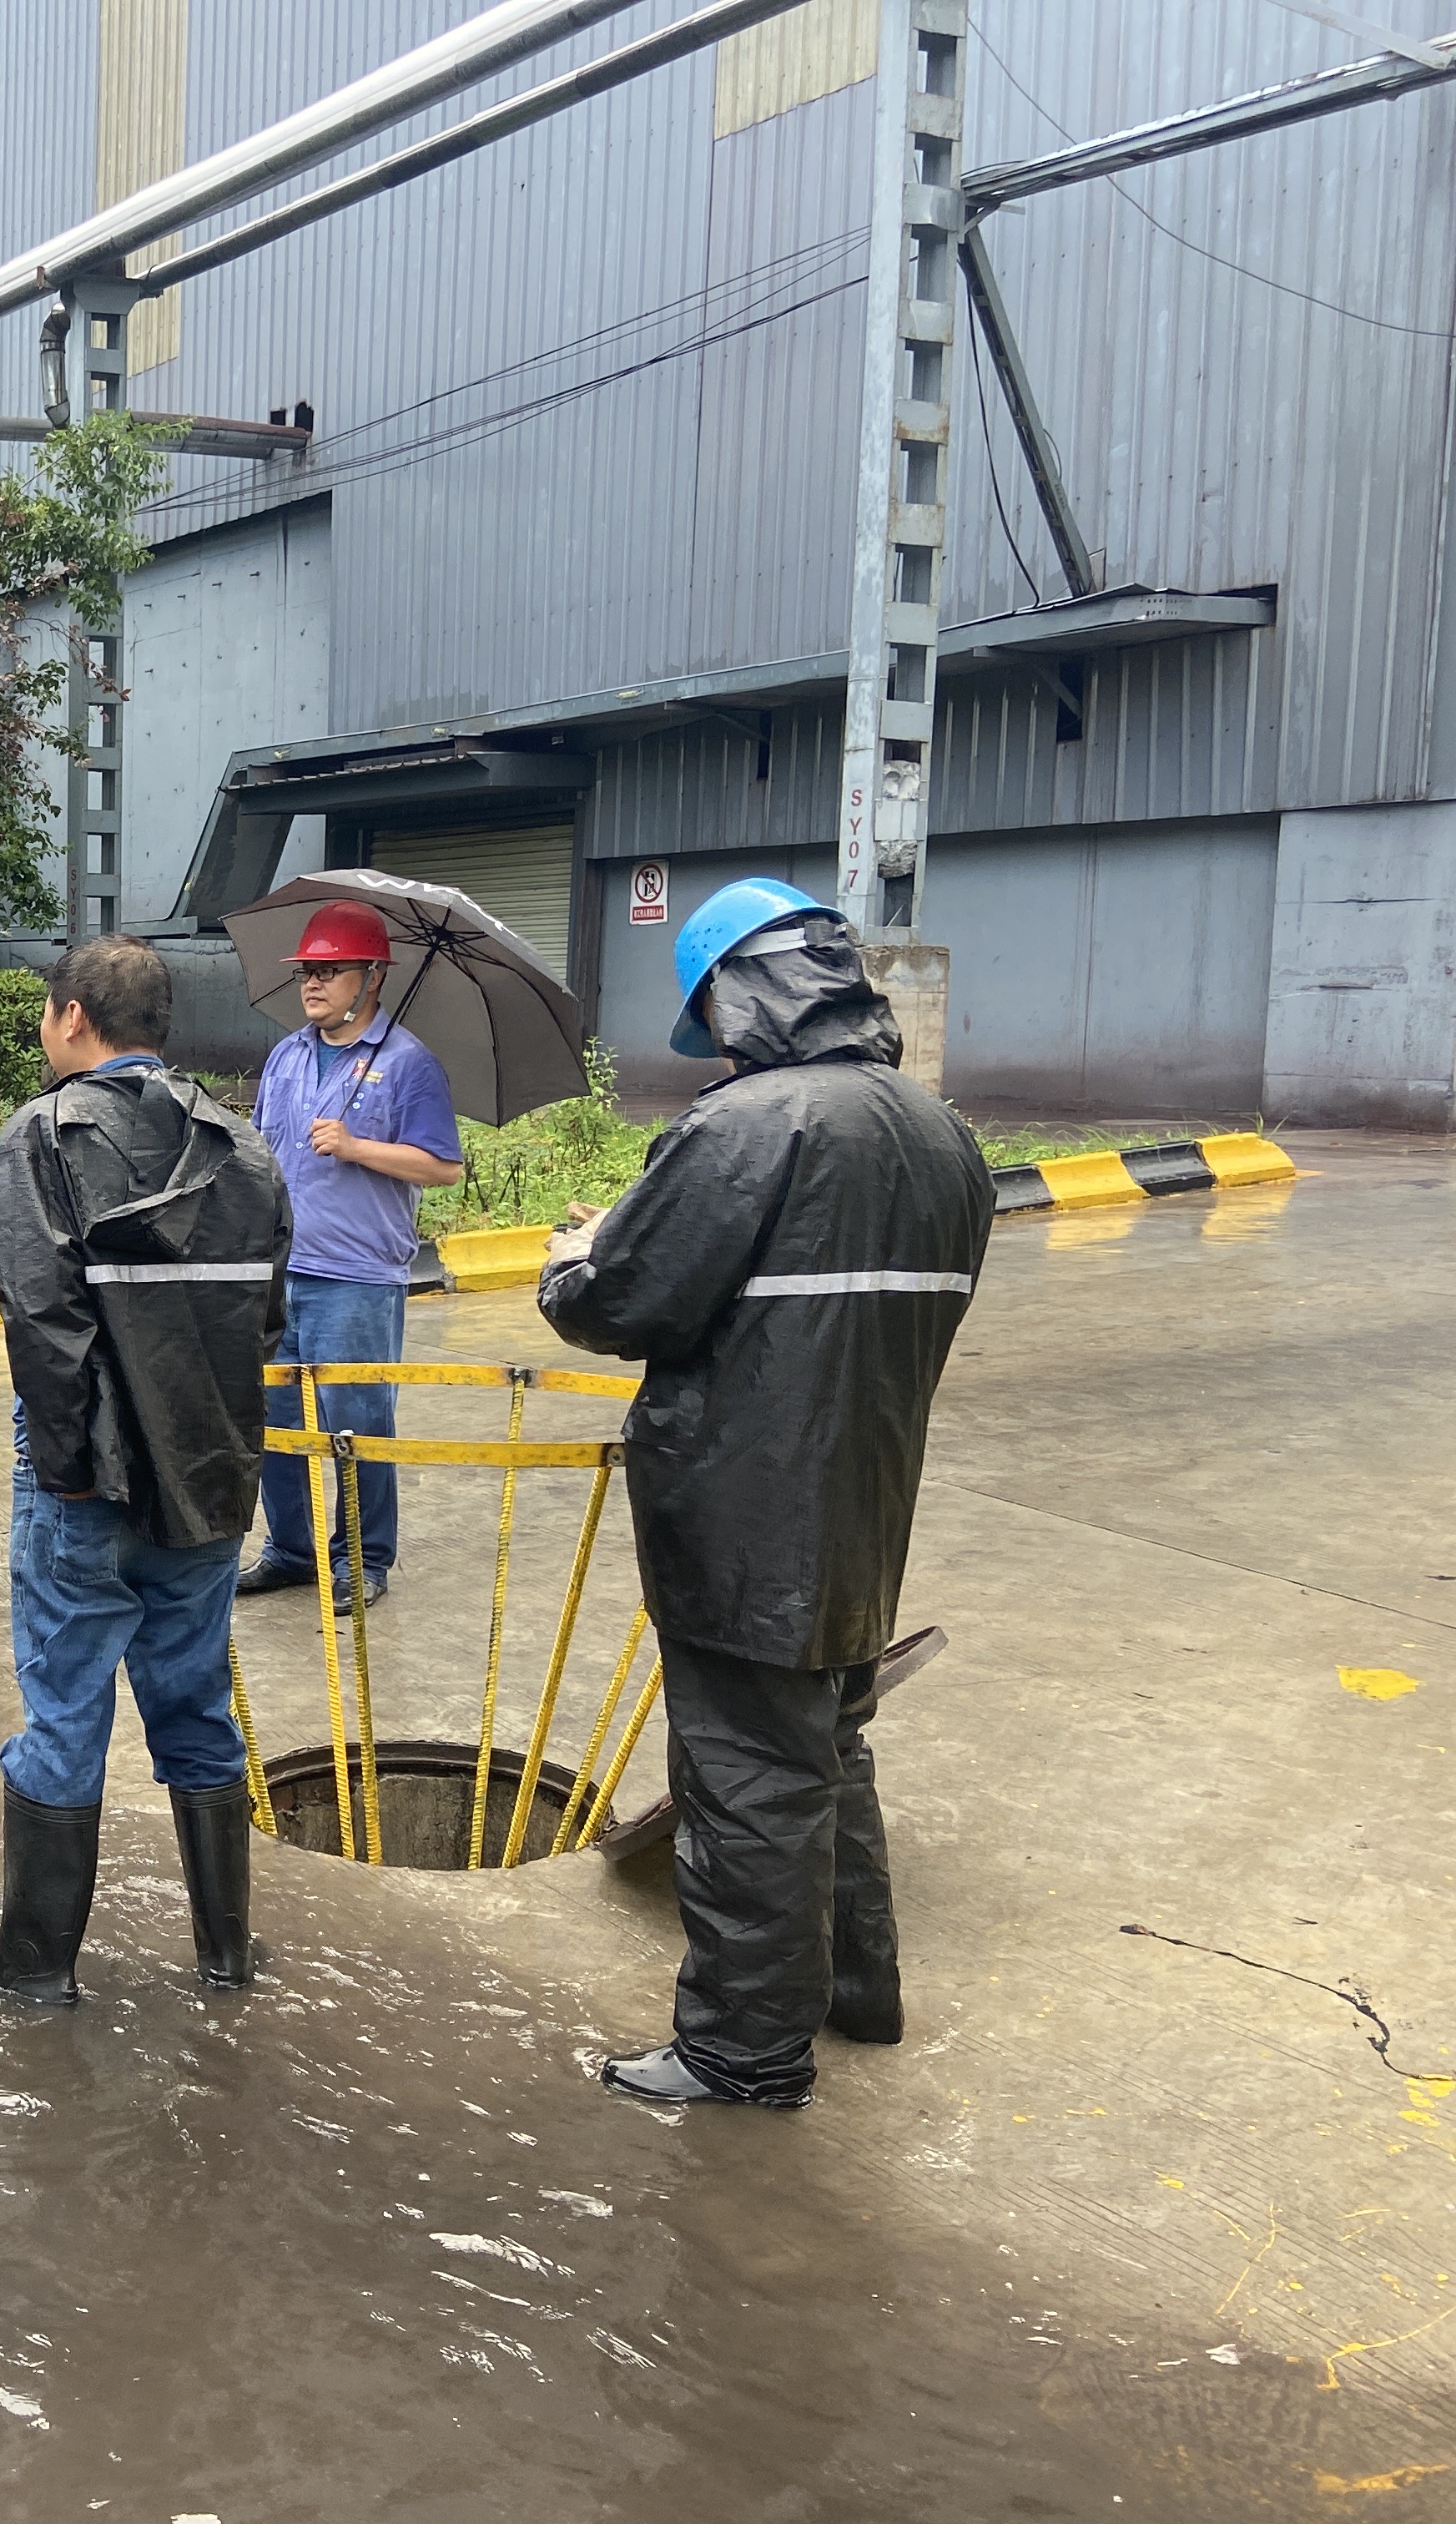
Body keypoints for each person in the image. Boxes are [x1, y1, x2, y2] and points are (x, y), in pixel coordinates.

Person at [538, 879, 993, 2108]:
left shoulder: (747, 1126)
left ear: (744, 993)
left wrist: (578, 1257)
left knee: (744, 1778)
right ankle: (857, 1989)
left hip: (743, 1517)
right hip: (859, 1508)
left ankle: (741, 2054)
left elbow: (622, 1305)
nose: (720, 1047)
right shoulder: (938, 1132)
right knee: (827, 1750)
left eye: (717, 1019)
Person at [0, 935, 290, 2005]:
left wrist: (70, 1476)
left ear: (75, 1017)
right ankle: (227, 1954)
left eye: (49, 1015)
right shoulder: (247, 1150)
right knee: (197, 1708)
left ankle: (34, 1968)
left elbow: (43, 1325)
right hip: (211, 1482)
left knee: (65, 1709)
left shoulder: (40, 1138)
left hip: (85, 1489)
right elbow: (264, 1321)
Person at [233, 899, 464, 1609]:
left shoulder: (408, 1065)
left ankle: (364, 1558)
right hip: (281, 1271)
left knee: (355, 1423)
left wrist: (357, 1146)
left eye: (331, 971)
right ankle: (292, 1550)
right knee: (272, 1421)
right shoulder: (287, 1055)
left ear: (373, 978)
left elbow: (443, 1167)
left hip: (357, 1278)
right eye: (308, 970)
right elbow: (261, 1149)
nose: (313, 983)